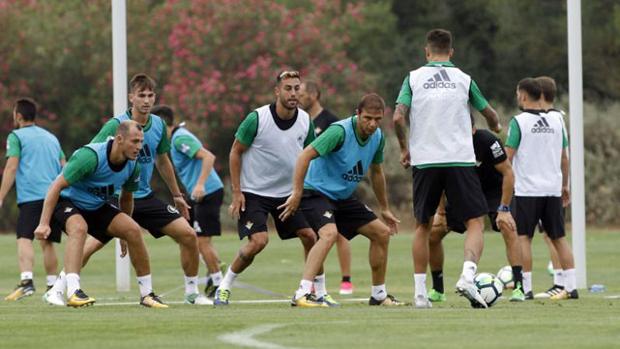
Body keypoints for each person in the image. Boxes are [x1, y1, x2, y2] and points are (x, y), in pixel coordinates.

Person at [392, 28, 502, 308]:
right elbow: (490, 114)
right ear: (451, 52)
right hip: (458, 160)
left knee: (422, 226)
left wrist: (405, 148)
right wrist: (496, 126)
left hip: (425, 160)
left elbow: (397, 117)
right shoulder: (464, 79)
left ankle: (419, 294)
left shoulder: (413, 78)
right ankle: (467, 275)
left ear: (426, 52)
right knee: (476, 222)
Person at [85, 74, 207, 305]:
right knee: (91, 245)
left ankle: (192, 293)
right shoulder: (115, 124)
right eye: (141, 95)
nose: (146, 100)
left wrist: (177, 195)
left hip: (144, 196)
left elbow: (162, 160)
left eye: (150, 95)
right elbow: (94, 153)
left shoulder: (159, 124)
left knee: (189, 235)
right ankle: (61, 286)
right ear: (131, 97)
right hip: (117, 197)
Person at [215, 70, 331, 307]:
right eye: (288, 88)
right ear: (277, 91)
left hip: (287, 194)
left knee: (310, 235)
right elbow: (235, 152)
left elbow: (309, 156)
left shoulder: (305, 120)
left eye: (297, 88)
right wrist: (237, 193)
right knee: (258, 242)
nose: (293, 93)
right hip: (254, 192)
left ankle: (317, 291)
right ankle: (224, 286)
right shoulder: (257, 118)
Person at [280, 93, 403, 307]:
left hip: (342, 197)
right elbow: (304, 156)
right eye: (367, 118)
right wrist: (297, 192)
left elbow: (376, 172)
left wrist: (384, 208)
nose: (372, 124)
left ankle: (379, 295)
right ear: (357, 114)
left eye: (377, 119)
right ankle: (302, 293)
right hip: (315, 191)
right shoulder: (339, 131)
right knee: (329, 234)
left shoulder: (378, 137)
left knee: (382, 233)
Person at [36, 121, 167, 308]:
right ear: (119, 139)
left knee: (133, 230)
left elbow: (127, 200)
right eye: (135, 141)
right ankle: (74, 291)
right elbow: (56, 186)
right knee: (79, 228)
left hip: (96, 206)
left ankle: (147, 294)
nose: (139, 147)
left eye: (141, 141)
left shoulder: (133, 165)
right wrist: (44, 223)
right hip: (67, 201)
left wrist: (124, 236)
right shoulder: (90, 156)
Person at [429, 118, 525, 303]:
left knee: (508, 227)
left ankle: (519, 287)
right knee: (433, 234)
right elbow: (440, 180)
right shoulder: (448, 145)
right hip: (466, 191)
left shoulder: (488, 141)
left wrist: (504, 209)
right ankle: (438, 289)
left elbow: (508, 173)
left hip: (495, 191)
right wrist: (440, 213)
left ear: (473, 129)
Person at [505, 77, 578, 300]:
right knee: (559, 238)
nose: (518, 97)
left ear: (524, 95)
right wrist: (565, 184)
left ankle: (526, 288)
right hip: (553, 189)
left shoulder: (519, 122)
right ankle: (571, 287)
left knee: (524, 238)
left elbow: (508, 158)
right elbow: (564, 158)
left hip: (528, 190)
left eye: (518, 94)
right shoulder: (557, 121)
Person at [153, 105, 225, 300]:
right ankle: (216, 265)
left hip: (207, 193)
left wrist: (200, 184)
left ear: (161, 125)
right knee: (186, 236)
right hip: (196, 196)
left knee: (201, 241)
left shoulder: (180, 138)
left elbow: (208, 157)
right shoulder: (173, 140)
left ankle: (219, 284)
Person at [1, 98, 63, 301]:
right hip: (54, 195)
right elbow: (65, 164)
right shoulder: (51, 137)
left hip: (32, 197)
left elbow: (11, 166)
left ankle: (26, 282)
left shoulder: (16, 136)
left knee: (24, 238)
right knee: (48, 242)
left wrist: (1, 197)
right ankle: (53, 285)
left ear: (18, 116)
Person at [299, 81, 353, 295]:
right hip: (309, 185)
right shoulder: (301, 121)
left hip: (333, 184)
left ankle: (346, 280)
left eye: (302, 93)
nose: (298, 97)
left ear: (314, 94)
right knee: (310, 235)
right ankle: (310, 282)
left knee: (339, 233)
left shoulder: (331, 121)